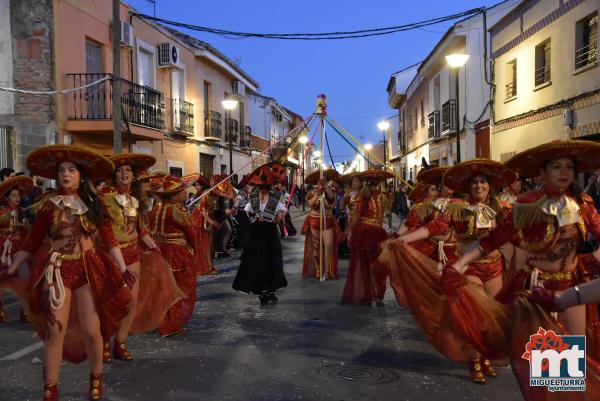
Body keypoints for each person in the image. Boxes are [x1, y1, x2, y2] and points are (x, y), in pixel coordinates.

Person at [444, 141, 600, 399]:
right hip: (538, 289)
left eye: (569, 167)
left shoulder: (583, 205)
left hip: (572, 283)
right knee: (547, 361)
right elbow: (493, 239)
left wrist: (594, 256)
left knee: (573, 359)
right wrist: (460, 264)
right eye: (556, 167)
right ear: (542, 173)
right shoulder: (527, 204)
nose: (564, 172)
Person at [3, 145, 132, 401]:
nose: (66, 174)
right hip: (57, 270)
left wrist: (123, 267)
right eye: (61, 170)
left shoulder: (94, 204)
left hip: (87, 269)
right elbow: (31, 242)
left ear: (80, 175)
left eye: (71, 170)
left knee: (91, 330)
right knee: (54, 330)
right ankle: (50, 388)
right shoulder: (49, 206)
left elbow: (109, 238)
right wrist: (14, 267)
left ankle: (96, 377)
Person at [381, 159, 516, 384]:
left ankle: (487, 355)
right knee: (478, 315)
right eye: (474, 183)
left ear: (490, 185)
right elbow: (432, 228)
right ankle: (475, 358)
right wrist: (402, 239)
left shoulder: (503, 210)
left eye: (483, 182)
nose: (479, 186)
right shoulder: (457, 208)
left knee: (495, 317)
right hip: (468, 267)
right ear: (468, 187)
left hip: (495, 268)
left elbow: (518, 233)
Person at [102, 154, 178, 362]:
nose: (124, 173)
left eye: (128, 170)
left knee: (131, 303)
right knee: (112, 302)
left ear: (133, 175)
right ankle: (102, 343)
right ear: (114, 175)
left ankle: (120, 342)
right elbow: (106, 232)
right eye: (119, 170)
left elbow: (141, 230)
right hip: (110, 257)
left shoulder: (134, 201)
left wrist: (155, 247)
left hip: (132, 255)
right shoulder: (105, 198)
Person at [149, 175, 199, 337]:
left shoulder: (156, 208)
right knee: (179, 289)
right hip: (176, 254)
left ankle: (162, 322)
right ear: (177, 194)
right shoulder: (179, 210)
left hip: (157, 253)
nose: (185, 193)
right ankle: (170, 325)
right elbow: (191, 233)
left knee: (162, 289)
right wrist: (195, 249)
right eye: (182, 191)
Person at [233, 163, 287, 305]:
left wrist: (258, 218)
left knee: (264, 260)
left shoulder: (259, 197)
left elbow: (248, 212)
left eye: (263, 187)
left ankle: (266, 291)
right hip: (264, 232)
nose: (262, 189)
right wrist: (276, 214)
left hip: (262, 232)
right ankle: (265, 291)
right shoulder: (272, 197)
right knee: (264, 261)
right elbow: (279, 218)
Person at [341, 169, 392, 305]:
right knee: (379, 265)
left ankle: (368, 294)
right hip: (378, 234)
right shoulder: (382, 197)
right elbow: (388, 212)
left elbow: (355, 219)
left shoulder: (361, 198)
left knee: (364, 266)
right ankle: (379, 295)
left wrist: (350, 232)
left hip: (364, 234)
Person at [0, 176, 33, 323]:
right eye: (14, 196)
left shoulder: (22, 212)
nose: (17, 198)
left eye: (18, 195)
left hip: (18, 249)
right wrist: (9, 215)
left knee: (24, 279)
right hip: (4, 249)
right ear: (6, 198)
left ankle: (25, 311)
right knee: (3, 279)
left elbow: (27, 231)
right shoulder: (2, 211)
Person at [301, 169, 342, 280]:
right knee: (316, 248)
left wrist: (326, 189)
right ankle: (318, 267)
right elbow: (310, 203)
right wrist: (317, 194)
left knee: (328, 245)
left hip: (328, 220)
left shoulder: (331, 191)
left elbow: (332, 202)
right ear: (316, 182)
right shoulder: (312, 192)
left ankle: (328, 270)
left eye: (324, 180)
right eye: (320, 181)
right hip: (314, 220)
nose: (321, 182)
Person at [189, 174, 219, 275]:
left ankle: (209, 266)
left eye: (198, 185)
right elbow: (203, 211)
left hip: (205, 219)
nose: (196, 187)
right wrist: (212, 222)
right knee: (205, 245)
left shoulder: (207, 193)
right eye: (196, 185)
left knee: (208, 245)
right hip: (201, 222)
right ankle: (206, 267)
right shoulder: (203, 194)